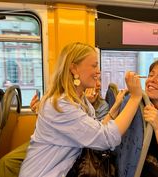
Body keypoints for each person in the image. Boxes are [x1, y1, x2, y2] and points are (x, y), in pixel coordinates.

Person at [19, 42, 142, 177]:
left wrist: (116, 107)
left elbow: (97, 129)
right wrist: (135, 98)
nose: (98, 71)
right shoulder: (61, 106)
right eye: (94, 65)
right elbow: (106, 139)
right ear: (74, 69)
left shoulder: (80, 100)